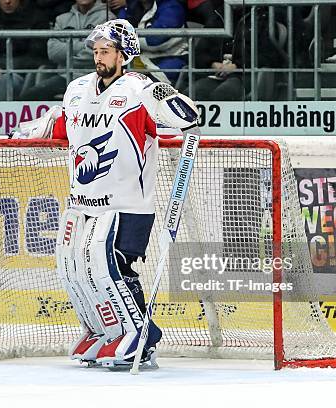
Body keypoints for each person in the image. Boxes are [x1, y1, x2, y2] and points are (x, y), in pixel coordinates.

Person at [11, 19, 199, 367]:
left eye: (106, 51)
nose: (99, 56)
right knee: (74, 268)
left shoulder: (138, 89)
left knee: (110, 267)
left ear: (124, 54)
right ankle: (102, 330)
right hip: (83, 202)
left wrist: (164, 96)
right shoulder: (77, 88)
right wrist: (25, 132)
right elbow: (59, 124)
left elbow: (187, 117)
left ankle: (140, 335)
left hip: (127, 203)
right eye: (96, 51)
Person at [18, 0, 108, 101]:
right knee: (26, 97)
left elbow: (100, 54)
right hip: (64, 76)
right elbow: (53, 52)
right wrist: (85, 46)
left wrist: (67, 57)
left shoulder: (107, 18)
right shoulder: (62, 19)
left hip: (94, 77)